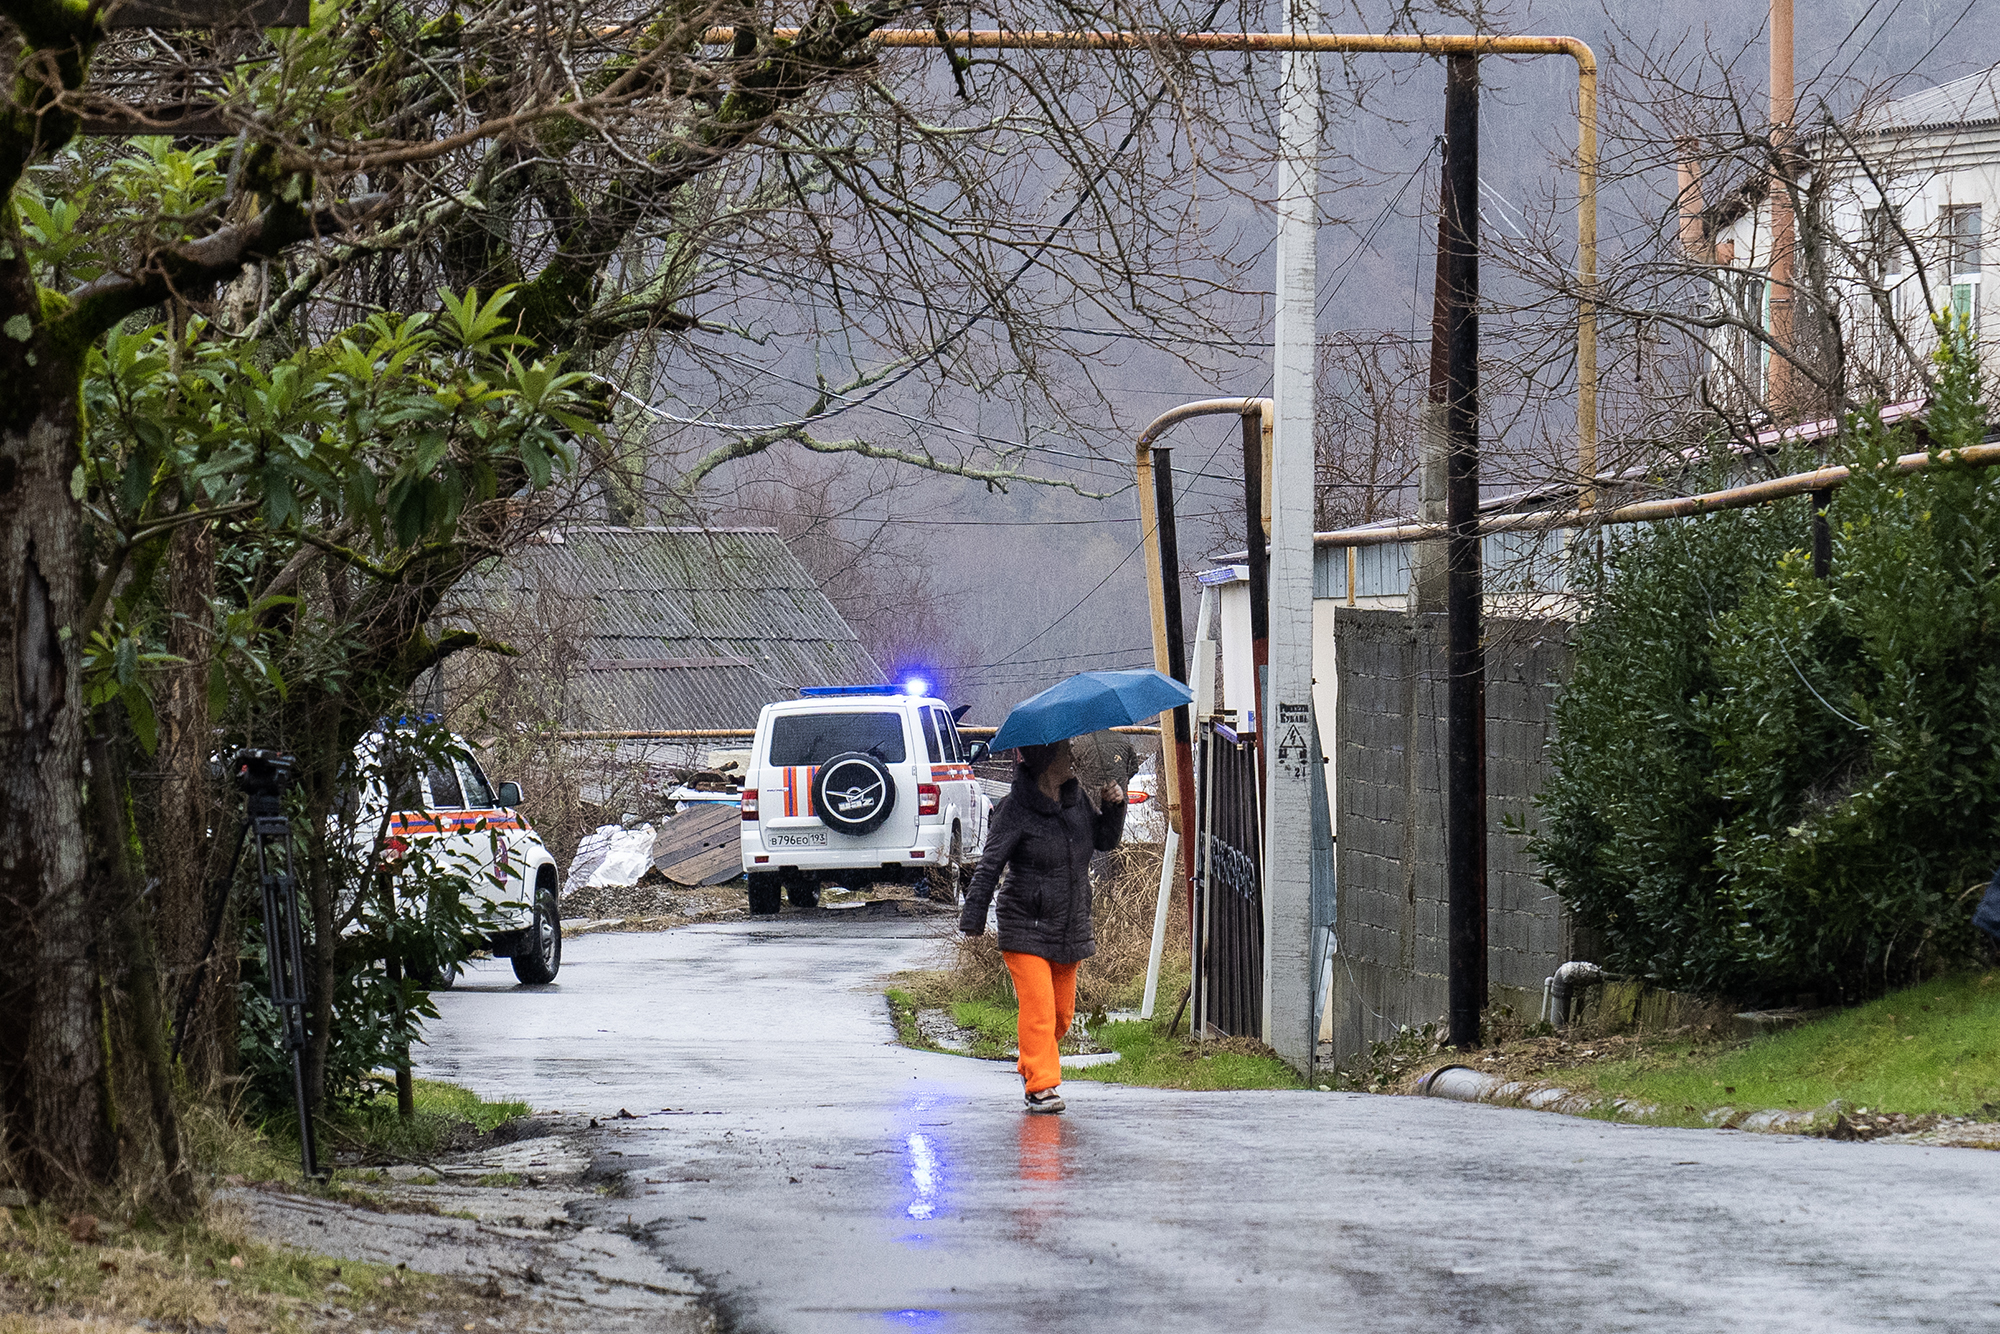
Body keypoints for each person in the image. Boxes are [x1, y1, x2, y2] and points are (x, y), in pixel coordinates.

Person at [958, 737, 1126, 1113]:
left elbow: (1103, 840)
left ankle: (1032, 1063)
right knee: (1039, 1011)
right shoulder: (1014, 808)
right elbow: (989, 866)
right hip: (1025, 925)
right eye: (1065, 752)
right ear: (1045, 759)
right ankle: (1041, 1086)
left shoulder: (1076, 798)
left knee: (1061, 1016)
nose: (1072, 758)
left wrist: (1114, 808)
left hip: (1069, 924)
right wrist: (973, 919)